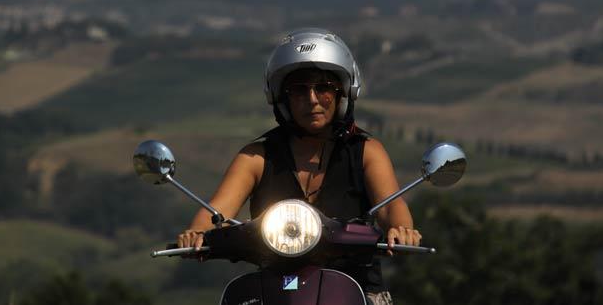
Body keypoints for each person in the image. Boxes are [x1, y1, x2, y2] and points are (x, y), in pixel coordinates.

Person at [177, 28, 421, 305]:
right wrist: (196, 234)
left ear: (344, 92)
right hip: (274, 291)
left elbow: (391, 207)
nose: (313, 100)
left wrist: (401, 230)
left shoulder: (366, 151)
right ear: (282, 98)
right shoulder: (256, 157)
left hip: (358, 289)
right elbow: (215, 212)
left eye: (324, 88)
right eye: (299, 90)